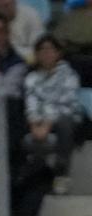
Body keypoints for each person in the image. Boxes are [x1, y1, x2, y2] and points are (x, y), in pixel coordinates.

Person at [23, 34, 82, 194]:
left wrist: (47, 123)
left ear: (58, 53)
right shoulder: (31, 77)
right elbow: (31, 101)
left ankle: (61, 174)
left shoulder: (69, 75)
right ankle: (36, 175)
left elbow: (65, 102)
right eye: (41, 50)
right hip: (39, 120)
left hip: (65, 117)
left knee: (65, 122)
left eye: (50, 50)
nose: (46, 53)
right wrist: (34, 122)